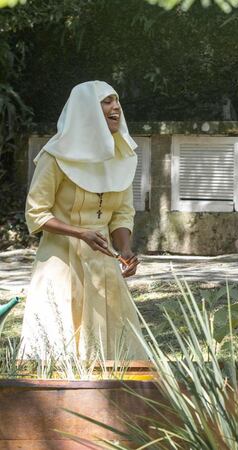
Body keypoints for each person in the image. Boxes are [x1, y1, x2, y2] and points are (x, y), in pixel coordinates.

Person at [19, 80, 145, 361]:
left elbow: (122, 212)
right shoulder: (55, 156)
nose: (116, 107)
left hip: (103, 264)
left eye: (117, 101)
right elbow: (37, 213)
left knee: (114, 354)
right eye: (107, 101)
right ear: (86, 109)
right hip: (60, 263)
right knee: (59, 348)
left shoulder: (122, 156)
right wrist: (80, 233)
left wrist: (124, 249)